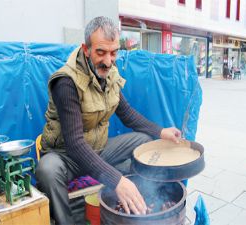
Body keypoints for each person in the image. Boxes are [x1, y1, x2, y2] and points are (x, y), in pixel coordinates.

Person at [36, 16, 181, 225]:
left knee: (143, 140)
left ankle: (137, 198)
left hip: (100, 149)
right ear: (86, 49)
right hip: (67, 156)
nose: (108, 60)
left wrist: (160, 132)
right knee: (46, 170)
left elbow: (127, 114)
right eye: (101, 52)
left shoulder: (110, 73)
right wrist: (117, 180)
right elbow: (75, 144)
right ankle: (66, 221)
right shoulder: (66, 82)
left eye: (113, 53)